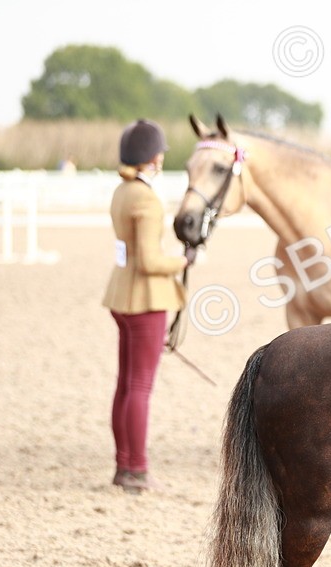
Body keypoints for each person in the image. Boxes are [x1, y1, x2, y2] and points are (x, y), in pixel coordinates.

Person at [102, 119, 193, 493]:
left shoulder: (121, 191)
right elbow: (150, 261)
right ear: (153, 157)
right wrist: (184, 260)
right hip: (146, 300)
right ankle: (137, 470)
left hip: (121, 296)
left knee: (126, 384)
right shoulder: (146, 198)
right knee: (140, 387)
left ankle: (123, 465)